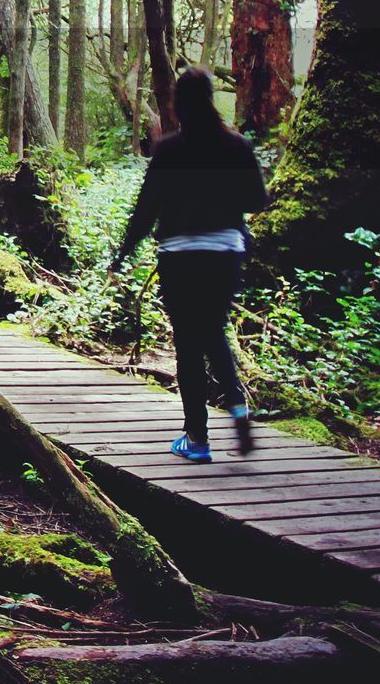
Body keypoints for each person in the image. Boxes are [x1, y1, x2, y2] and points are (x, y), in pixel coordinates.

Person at [109, 68, 269, 462]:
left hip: (179, 254)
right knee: (214, 330)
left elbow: (146, 209)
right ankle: (237, 407)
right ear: (212, 99)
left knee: (188, 344)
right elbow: (257, 200)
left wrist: (122, 254)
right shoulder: (237, 146)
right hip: (225, 252)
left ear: (179, 104)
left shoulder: (169, 149)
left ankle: (197, 439)